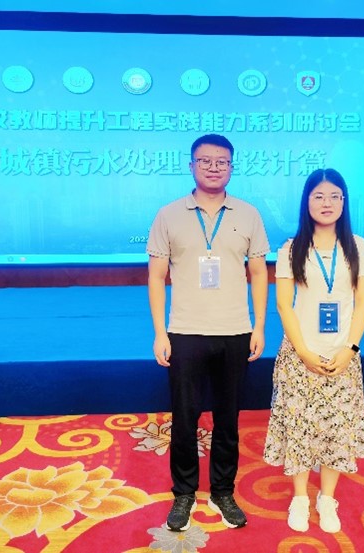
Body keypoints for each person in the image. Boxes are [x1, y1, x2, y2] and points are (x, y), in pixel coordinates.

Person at [147, 134, 270, 532]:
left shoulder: (249, 214)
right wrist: (160, 333)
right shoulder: (168, 215)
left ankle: (222, 490)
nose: (214, 167)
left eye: (222, 161)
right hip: (184, 331)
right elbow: (156, 277)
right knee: (185, 417)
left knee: (227, 419)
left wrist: (259, 326)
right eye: (205, 161)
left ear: (232, 167)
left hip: (235, 331)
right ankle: (184, 492)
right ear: (191, 165)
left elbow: (258, 274)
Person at [263, 168, 364, 533]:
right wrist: (303, 352)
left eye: (334, 197)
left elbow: (363, 304)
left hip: (343, 355)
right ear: (306, 201)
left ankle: (327, 499)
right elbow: (284, 305)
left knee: (336, 429)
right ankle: (300, 497)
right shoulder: (291, 249)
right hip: (300, 356)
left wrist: (350, 349)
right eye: (319, 196)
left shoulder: (357, 246)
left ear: (344, 202)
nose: (327, 203)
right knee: (300, 427)